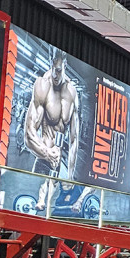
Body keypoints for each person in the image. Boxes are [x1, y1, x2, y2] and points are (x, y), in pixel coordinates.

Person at [25, 53, 80, 212]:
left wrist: (70, 175)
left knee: (49, 209)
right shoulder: (43, 86)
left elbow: (74, 138)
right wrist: (46, 153)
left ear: (65, 65)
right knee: (35, 205)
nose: (55, 75)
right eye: (53, 69)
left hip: (59, 162)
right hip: (43, 156)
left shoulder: (72, 92)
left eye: (59, 70)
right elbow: (29, 133)